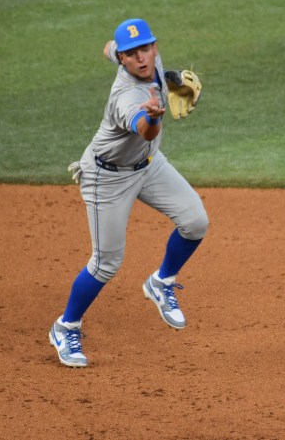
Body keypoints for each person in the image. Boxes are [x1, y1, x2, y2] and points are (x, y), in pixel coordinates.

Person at [48, 18, 209, 368]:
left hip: (148, 165)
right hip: (107, 179)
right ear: (124, 60)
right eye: (131, 54)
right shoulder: (126, 97)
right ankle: (66, 326)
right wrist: (153, 117)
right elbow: (145, 131)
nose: (141, 58)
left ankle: (161, 282)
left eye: (146, 48)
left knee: (195, 222)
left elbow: (108, 46)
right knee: (106, 263)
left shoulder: (146, 59)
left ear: (155, 47)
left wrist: (172, 78)